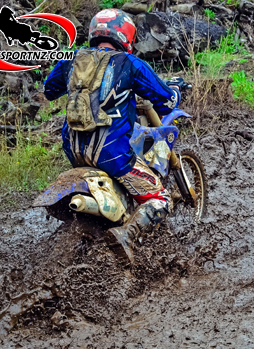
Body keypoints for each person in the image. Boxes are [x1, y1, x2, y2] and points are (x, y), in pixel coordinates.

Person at [44, 9, 185, 261]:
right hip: (112, 157)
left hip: (75, 154)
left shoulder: (71, 60)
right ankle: (127, 234)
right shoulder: (130, 63)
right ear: (126, 36)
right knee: (160, 198)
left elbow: (49, 90)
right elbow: (165, 102)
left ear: (94, 33)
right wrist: (175, 90)